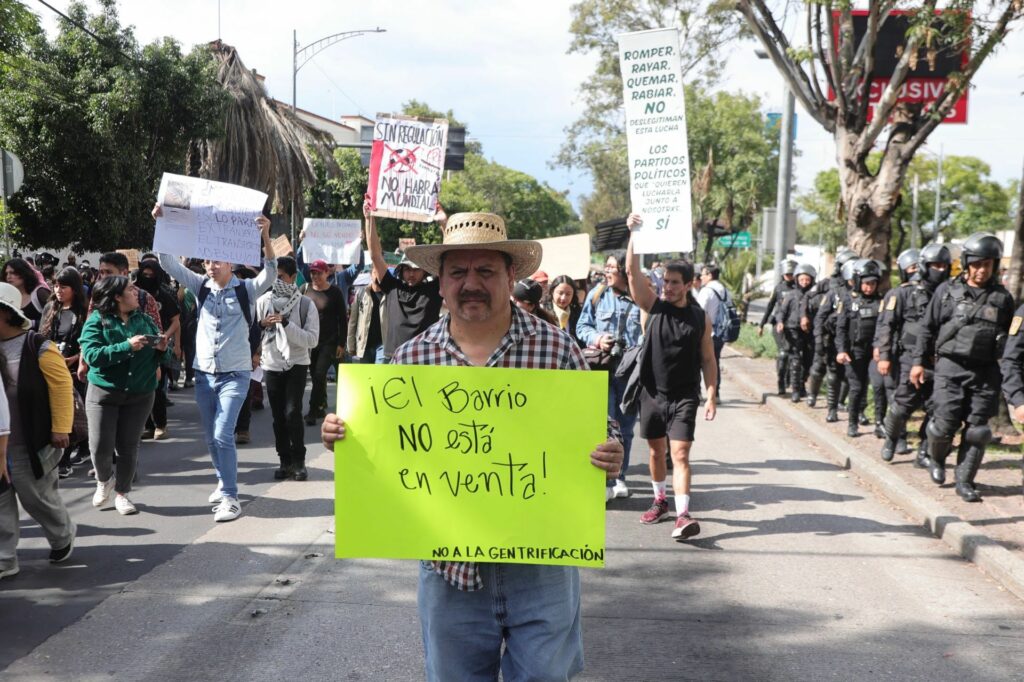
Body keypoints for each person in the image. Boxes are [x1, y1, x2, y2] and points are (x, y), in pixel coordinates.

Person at [321, 209, 623, 681]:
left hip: (541, 567)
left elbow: (602, 431)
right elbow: (387, 454)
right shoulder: (411, 359)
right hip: (449, 572)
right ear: (440, 282)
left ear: (509, 277)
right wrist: (346, 437)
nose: (471, 283)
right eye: (458, 272)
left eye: (485, 271)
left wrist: (610, 452)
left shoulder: (556, 348)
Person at [153, 204, 276, 522]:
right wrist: (163, 224)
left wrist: (265, 234)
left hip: (236, 373)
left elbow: (271, 273)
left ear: (231, 263)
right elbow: (167, 261)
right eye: (206, 260)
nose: (210, 266)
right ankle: (223, 482)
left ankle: (231, 498)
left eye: (216, 260)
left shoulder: (247, 289)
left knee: (223, 434)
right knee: (210, 436)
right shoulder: (200, 286)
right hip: (205, 374)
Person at [624, 214, 717, 541]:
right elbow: (632, 274)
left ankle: (683, 514)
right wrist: (634, 233)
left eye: (675, 282)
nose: (668, 286)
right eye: (665, 280)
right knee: (655, 451)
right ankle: (660, 500)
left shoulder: (699, 317)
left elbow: (708, 357)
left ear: (689, 284)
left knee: (680, 454)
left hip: (684, 397)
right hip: (652, 394)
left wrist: (712, 392)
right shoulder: (654, 306)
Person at [910, 233, 1014, 503]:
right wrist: (918, 362)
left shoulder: (1003, 299)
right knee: (944, 424)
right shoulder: (947, 292)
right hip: (950, 368)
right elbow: (927, 328)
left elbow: (1012, 339)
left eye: (988, 265)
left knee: (978, 431)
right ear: (967, 263)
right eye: (977, 264)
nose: (982, 270)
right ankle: (936, 459)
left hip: (985, 371)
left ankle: (965, 481)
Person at [0, 282, 76, 576]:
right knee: (1, 500)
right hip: (1, 441)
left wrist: (60, 428)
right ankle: (5, 558)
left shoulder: (38, 345)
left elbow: (61, 386)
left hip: (29, 440)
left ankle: (62, 534)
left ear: (5, 314)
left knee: (35, 497)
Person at [79, 276, 164, 515]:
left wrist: (162, 350)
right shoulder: (98, 320)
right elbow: (93, 355)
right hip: (104, 393)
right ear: (116, 296)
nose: (136, 292)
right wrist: (126, 346)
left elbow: (162, 359)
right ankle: (104, 480)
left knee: (128, 447)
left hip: (140, 393)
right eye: (130, 289)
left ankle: (123, 494)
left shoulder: (145, 320)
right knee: (99, 447)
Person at [577, 250, 642, 501]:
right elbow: (582, 327)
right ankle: (606, 480)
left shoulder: (639, 297)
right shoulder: (596, 295)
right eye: (606, 267)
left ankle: (620, 477)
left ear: (625, 270)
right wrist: (598, 338)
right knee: (603, 422)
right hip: (602, 367)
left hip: (630, 371)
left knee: (625, 425)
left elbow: (648, 331)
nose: (607, 271)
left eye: (612, 267)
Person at [875, 246, 949, 465]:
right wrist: (885, 356)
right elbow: (887, 326)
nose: (940, 270)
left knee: (937, 408)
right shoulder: (903, 293)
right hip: (909, 357)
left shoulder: (948, 293)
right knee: (901, 406)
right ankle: (891, 438)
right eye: (935, 265)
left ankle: (924, 452)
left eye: (944, 266)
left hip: (938, 360)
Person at [257, 256, 319, 481]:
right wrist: (262, 325)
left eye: (281, 277)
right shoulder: (264, 301)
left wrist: (285, 323)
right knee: (277, 416)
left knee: (293, 412)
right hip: (271, 363)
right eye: (274, 277)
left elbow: (312, 340)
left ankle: (299, 461)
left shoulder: (305, 304)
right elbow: (254, 331)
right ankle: (284, 460)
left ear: (293, 278)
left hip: (297, 363)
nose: (277, 281)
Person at [367, 202, 445, 364]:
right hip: (392, 358)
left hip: (424, 358)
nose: (411, 273)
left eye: (416, 269)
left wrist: (444, 224)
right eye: (407, 269)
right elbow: (375, 256)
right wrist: (369, 218)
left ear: (424, 271)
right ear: (401, 270)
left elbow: (449, 261)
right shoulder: (392, 287)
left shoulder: (433, 289)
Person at [39, 267, 89, 478]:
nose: (58, 290)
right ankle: (75, 451)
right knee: (57, 412)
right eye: (56, 285)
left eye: (64, 286)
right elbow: (41, 336)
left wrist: (77, 358)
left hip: (75, 368)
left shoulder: (84, 310)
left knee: (72, 412)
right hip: (52, 366)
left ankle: (66, 459)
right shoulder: (50, 307)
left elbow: (87, 342)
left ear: (75, 289)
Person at [835, 259, 883, 437]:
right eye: (865, 284)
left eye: (873, 284)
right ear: (857, 282)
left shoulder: (882, 301)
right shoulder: (849, 301)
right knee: (857, 387)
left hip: (876, 352)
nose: (869, 287)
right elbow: (840, 328)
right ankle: (852, 422)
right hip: (855, 351)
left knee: (878, 387)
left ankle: (880, 423)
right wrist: (841, 350)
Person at [135, 258, 181, 440]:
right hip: (137, 344)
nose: (147, 277)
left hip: (157, 346)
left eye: (151, 275)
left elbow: (176, 321)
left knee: (157, 386)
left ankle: (160, 424)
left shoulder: (164, 295)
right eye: (144, 274)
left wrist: (168, 338)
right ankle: (147, 425)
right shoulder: (132, 294)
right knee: (141, 387)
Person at [807, 249, 857, 412]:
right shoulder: (828, 284)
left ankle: (839, 402)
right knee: (819, 367)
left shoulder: (857, 288)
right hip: (828, 334)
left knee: (845, 372)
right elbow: (811, 300)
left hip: (847, 336)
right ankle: (812, 395)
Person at [302, 259, 347, 425]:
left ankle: (313, 410)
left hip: (329, 341)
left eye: (318, 273)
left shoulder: (334, 292)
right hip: (309, 341)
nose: (315, 276)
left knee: (320, 374)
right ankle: (320, 406)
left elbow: (343, 319)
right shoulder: (305, 290)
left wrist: (341, 344)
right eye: (312, 272)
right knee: (315, 376)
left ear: (326, 273)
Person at [777, 264, 817, 402]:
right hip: (792, 330)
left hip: (810, 331)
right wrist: (780, 322)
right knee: (795, 360)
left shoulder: (815, 295)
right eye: (802, 279)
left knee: (808, 361)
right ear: (797, 280)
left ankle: (801, 384)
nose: (805, 282)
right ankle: (795, 390)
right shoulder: (791, 295)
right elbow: (782, 311)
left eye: (807, 279)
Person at [758, 260, 797, 395]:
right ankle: (781, 381)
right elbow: (770, 306)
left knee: (793, 355)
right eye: (787, 274)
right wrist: (761, 324)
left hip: (794, 325)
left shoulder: (799, 288)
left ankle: (789, 379)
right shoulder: (779, 288)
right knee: (783, 353)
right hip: (778, 325)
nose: (789, 276)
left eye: (791, 274)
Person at [696, 264, 730, 395]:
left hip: (706, 333)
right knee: (715, 361)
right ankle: (716, 393)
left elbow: (699, 311)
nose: (701, 277)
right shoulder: (724, 290)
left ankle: (698, 392)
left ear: (710, 275)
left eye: (703, 274)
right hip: (721, 332)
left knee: (699, 362)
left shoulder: (707, 290)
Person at [3, 257, 51, 330]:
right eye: (6, 273)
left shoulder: (39, 293)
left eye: (12, 273)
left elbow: (54, 318)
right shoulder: (6, 296)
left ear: (23, 273)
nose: (8, 277)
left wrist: (32, 323)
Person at [346, 279, 385, 365]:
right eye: (375, 272)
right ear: (371, 274)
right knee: (367, 376)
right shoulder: (362, 293)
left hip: (383, 344)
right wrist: (351, 344)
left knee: (379, 373)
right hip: (364, 344)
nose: (378, 276)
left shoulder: (390, 293)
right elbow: (353, 320)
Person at [548, 275, 583, 346]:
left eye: (568, 294)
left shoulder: (578, 313)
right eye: (560, 293)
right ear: (552, 292)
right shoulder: (543, 312)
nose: (563, 298)